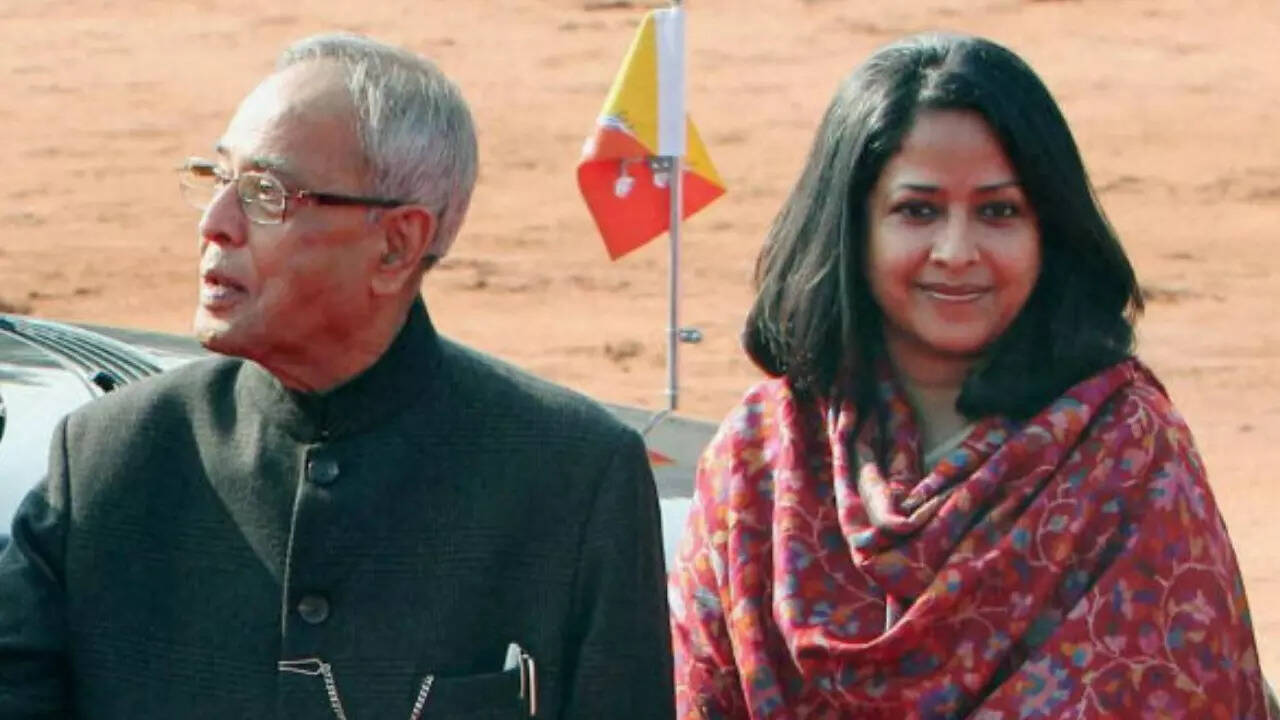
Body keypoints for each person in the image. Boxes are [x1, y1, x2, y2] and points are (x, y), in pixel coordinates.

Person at [0, 33, 674, 719]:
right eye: (216, 178)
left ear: (397, 245)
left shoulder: (571, 481)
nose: (216, 223)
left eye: (264, 194)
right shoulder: (109, 462)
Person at [669, 32, 1270, 719]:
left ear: (1049, 230)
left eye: (998, 211)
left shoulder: (1127, 452)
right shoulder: (761, 458)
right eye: (918, 211)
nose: (956, 251)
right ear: (850, 229)